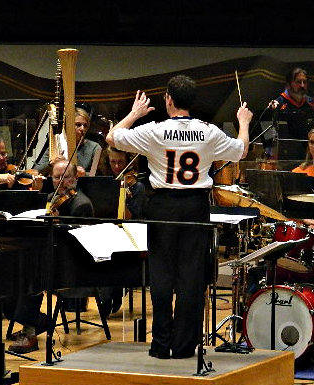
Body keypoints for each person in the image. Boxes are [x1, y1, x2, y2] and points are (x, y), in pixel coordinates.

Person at [106, 75, 252, 359]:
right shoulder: (208, 131)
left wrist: (134, 114)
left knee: (161, 276)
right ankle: (184, 346)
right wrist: (243, 122)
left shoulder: (155, 130)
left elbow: (113, 138)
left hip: (162, 207)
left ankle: (160, 345)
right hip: (196, 207)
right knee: (191, 278)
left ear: (168, 100)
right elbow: (241, 150)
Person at [8, 158, 94, 354]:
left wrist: (56, 223)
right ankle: (40, 321)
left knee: (32, 275)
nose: (62, 182)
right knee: (16, 274)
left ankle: (30, 333)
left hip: (73, 266)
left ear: (75, 179)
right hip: (51, 261)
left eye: (67, 177)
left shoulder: (81, 204)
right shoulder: (50, 199)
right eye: (57, 178)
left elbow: (76, 244)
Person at [34, 107, 102, 177]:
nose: (82, 129)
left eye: (85, 125)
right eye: (78, 125)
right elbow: (36, 171)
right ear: (68, 126)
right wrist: (51, 164)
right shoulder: (57, 146)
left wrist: (84, 174)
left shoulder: (95, 147)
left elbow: (98, 175)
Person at [269, 67, 314, 140]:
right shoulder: (278, 104)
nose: (302, 85)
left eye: (304, 82)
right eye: (298, 82)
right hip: (284, 148)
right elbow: (268, 135)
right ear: (288, 85)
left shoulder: (312, 104)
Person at [107, 147, 146, 219]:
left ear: (128, 162)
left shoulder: (137, 187)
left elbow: (132, 219)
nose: (116, 166)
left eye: (121, 162)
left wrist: (121, 195)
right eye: (113, 161)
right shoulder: (104, 180)